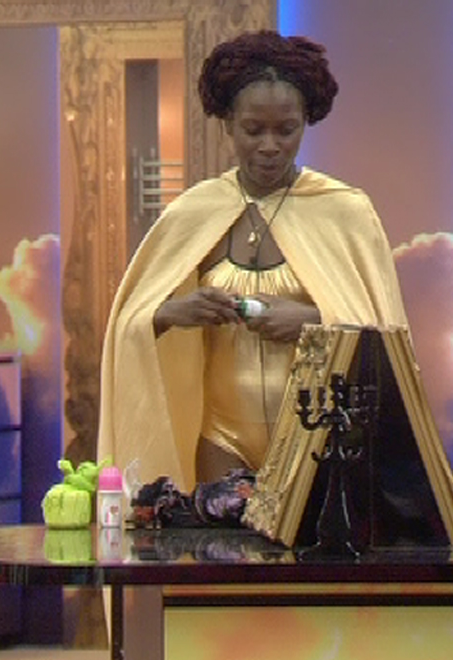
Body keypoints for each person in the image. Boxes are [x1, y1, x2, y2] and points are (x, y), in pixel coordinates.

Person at [97, 30, 408, 493]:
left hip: (320, 436)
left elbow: (388, 342)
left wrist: (312, 320)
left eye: (286, 129)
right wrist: (173, 312)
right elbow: (127, 328)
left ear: (306, 122)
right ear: (227, 123)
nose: (269, 145)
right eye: (253, 129)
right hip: (220, 436)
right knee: (222, 539)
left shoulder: (346, 211)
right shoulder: (193, 212)